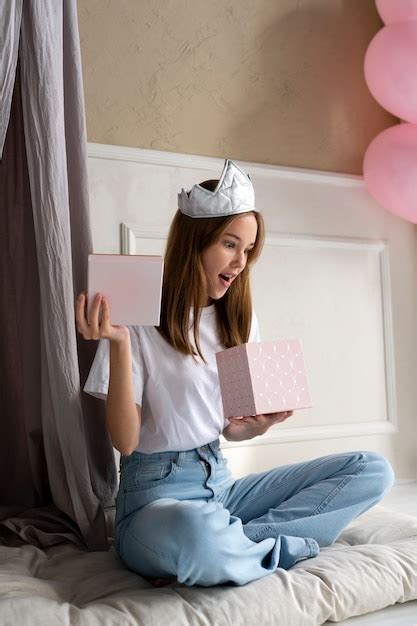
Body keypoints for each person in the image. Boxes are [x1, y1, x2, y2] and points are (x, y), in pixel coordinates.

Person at [75, 159, 395, 587]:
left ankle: (237, 541)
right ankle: (259, 546)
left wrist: (255, 428)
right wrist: (117, 344)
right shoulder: (136, 317)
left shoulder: (238, 319)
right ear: (196, 241)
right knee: (197, 535)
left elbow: (230, 430)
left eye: (248, 250)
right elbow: (126, 440)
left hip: (221, 486)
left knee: (371, 469)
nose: (241, 262)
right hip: (155, 499)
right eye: (230, 245)